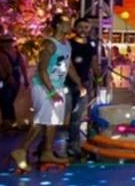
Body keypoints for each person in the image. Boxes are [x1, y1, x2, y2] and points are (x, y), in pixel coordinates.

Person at [11, 13, 83, 171]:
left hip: (57, 86)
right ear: (57, 25)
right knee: (42, 120)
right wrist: (51, 92)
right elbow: (42, 70)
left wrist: (79, 83)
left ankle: (47, 152)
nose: (69, 25)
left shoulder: (67, 44)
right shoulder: (49, 44)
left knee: (53, 121)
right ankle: (21, 150)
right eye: (66, 22)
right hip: (44, 87)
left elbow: (68, 66)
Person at [66, 17, 97, 158]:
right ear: (75, 27)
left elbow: (94, 62)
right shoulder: (68, 44)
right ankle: (45, 145)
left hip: (84, 84)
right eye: (80, 26)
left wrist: (99, 77)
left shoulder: (91, 45)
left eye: (86, 27)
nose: (83, 30)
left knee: (77, 116)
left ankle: (73, 145)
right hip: (67, 84)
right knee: (60, 116)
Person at [0, 34, 29, 133]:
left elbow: (6, 66)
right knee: (9, 101)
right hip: (16, 77)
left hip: (7, 79)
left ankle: (8, 122)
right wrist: (26, 80)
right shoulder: (17, 53)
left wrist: (9, 77)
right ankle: (11, 122)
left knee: (4, 101)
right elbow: (23, 66)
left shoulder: (2, 54)